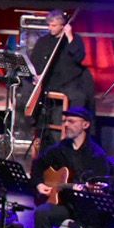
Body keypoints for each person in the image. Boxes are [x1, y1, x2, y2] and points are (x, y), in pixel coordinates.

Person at [28, 107, 114, 228]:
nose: (66, 125)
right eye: (65, 121)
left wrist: (85, 190)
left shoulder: (96, 155)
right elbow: (38, 166)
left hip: (86, 208)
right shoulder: (60, 148)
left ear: (85, 125)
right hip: (64, 204)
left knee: (94, 222)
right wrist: (39, 184)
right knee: (42, 213)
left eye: (71, 121)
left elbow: (101, 187)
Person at [28, 9, 94, 146]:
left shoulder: (74, 39)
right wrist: (38, 74)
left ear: (63, 26)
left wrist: (69, 36)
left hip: (68, 81)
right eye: (49, 25)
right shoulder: (43, 41)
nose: (50, 28)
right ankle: (35, 127)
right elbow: (35, 60)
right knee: (26, 91)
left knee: (79, 96)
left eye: (53, 25)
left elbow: (78, 57)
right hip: (49, 80)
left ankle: (74, 130)